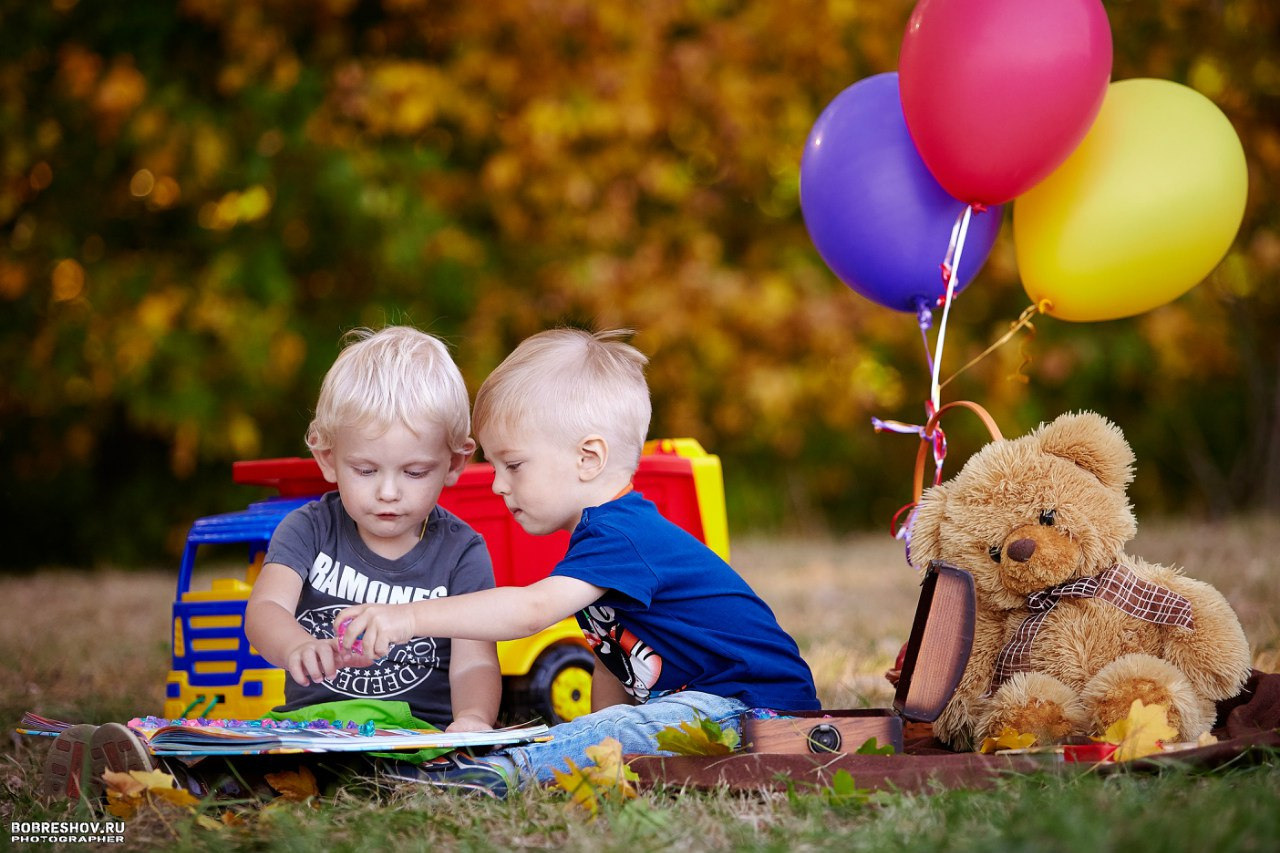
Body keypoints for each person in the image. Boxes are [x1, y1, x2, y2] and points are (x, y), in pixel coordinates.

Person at [335, 328, 819, 798]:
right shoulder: (603, 535)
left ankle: (497, 772)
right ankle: (532, 758)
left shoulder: (622, 535)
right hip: (710, 709)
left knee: (618, 731)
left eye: (514, 465)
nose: (498, 485)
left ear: (588, 458)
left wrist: (411, 617)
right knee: (610, 730)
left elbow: (529, 611)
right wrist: (595, 725)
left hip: (755, 710)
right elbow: (613, 662)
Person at [39, 325, 502, 801]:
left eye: (414, 471)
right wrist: (296, 645)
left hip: (412, 741)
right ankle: (134, 777)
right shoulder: (307, 528)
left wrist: (471, 722)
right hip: (311, 732)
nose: (388, 491)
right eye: (365, 470)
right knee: (247, 767)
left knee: (429, 781)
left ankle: (155, 784)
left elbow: (474, 662)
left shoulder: (463, 551)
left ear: (454, 463)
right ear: (327, 458)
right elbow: (264, 613)